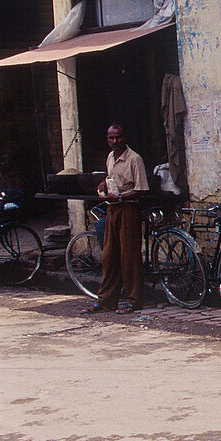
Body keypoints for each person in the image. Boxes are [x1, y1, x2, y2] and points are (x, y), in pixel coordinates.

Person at [80, 124, 149, 315]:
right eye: (111, 138)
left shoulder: (134, 159)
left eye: (118, 137)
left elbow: (142, 189)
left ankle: (134, 301)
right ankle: (106, 300)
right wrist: (104, 184)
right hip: (112, 210)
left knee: (129, 257)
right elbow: (112, 180)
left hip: (128, 209)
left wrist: (119, 197)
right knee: (109, 256)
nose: (114, 141)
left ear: (124, 137)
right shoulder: (110, 157)